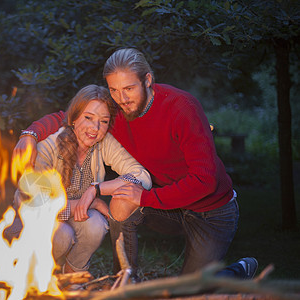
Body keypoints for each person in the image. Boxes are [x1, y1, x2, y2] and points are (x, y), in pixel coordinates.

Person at [13, 48, 258, 279]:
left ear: (147, 80)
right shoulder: (116, 110)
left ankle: (236, 272)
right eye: (114, 90)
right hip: (168, 207)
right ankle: (125, 279)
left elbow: (205, 181)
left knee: (191, 292)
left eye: (129, 88)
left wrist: (142, 197)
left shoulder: (182, 109)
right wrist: (30, 135)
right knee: (121, 201)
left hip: (210, 211)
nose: (121, 98)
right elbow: (70, 116)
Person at [9, 84, 152, 274]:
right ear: (74, 118)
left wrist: (97, 189)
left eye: (103, 121)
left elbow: (142, 176)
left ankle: (73, 276)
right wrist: (88, 204)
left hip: (66, 217)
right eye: (88, 117)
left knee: (95, 225)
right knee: (62, 235)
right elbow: (38, 208)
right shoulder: (47, 147)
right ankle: (28, 274)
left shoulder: (103, 143)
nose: (95, 128)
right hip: (27, 225)